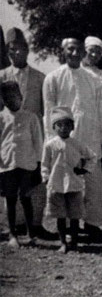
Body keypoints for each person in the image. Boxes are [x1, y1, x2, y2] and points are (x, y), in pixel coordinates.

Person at [43, 37, 102, 240]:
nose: (74, 53)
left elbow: (101, 111)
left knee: (94, 183)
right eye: (70, 49)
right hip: (64, 140)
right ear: (63, 51)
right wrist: (51, 144)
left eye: (78, 49)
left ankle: (93, 225)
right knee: (65, 184)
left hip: (90, 137)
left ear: (83, 52)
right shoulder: (53, 78)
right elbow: (48, 112)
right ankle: (68, 230)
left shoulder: (92, 79)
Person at [0, 27, 53, 240]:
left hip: (34, 134)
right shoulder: (2, 76)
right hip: (9, 136)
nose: (16, 53)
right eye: (12, 49)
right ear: (7, 51)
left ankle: (36, 225)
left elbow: (46, 109)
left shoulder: (41, 78)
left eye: (20, 49)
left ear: (27, 50)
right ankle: (13, 227)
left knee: (35, 180)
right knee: (10, 181)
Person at [42, 106, 95, 253]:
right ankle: (63, 242)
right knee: (60, 216)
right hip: (57, 184)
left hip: (74, 184)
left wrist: (84, 169)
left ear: (72, 126)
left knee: (74, 215)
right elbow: (45, 164)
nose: (63, 128)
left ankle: (75, 242)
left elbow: (92, 157)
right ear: (54, 127)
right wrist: (46, 178)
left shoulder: (77, 144)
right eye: (59, 125)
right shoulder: (50, 145)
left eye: (67, 125)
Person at [0, 81, 42, 247]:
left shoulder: (31, 117)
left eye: (14, 96)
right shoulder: (1, 118)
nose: (11, 100)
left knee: (26, 198)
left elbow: (38, 142)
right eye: (7, 98)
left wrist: (38, 165)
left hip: (27, 164)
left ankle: (31, 233)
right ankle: (12, 235)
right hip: (7, 165)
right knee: (10, 200)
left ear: (21, 97)